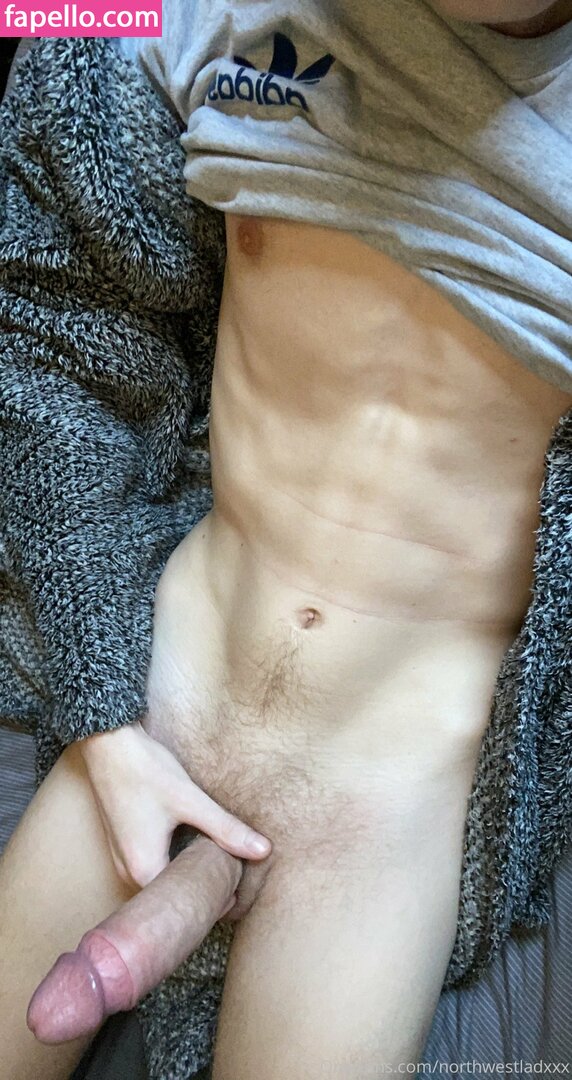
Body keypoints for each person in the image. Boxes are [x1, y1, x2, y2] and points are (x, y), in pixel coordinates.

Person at [1, 1, 572, 1077]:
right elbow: (51, 315)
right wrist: (106, 716)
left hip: (391, 785)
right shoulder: (180, 22)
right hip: (165, 681)